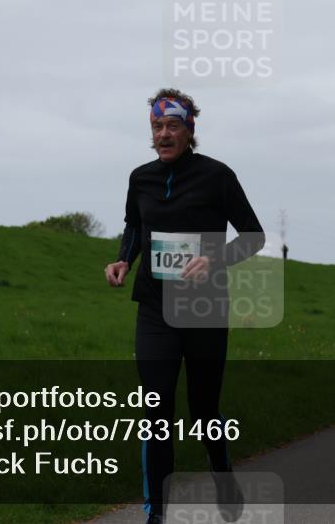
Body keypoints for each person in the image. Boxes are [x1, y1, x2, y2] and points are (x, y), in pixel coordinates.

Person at [105, 89, 264, 524]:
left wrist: (214, 259)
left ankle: (222, 472)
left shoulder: (217, 176)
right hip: (155, 307)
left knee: (203, 407)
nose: (163, 134)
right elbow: (135, 226)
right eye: (157, 127)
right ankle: (157, 512)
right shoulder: (141, 178)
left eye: (172, 125)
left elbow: (253, 236)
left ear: (189, 130)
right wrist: (124, 259)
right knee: (156, 407)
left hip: (203, 308)